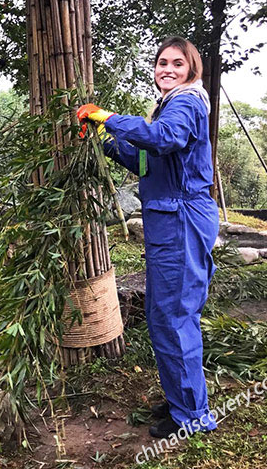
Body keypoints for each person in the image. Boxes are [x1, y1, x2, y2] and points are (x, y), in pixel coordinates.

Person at [77, 36, 218, 438]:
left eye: (177, 63)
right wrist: (105, 140)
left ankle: (192, 415)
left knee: (174, 317)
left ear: (191, 69)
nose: (167, 69)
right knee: (163, 313)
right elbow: (143, 160)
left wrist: (107, 116)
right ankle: (182, 400)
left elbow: (161, 139)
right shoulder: (167, 107)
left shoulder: (188, 102)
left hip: (182, 219)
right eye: (161, 63)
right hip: (168, 221)